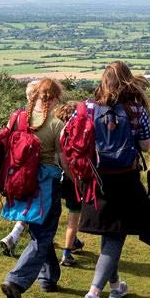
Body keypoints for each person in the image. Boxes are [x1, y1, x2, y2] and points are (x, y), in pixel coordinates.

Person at [77, 61, 150, 298]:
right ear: (128, 81)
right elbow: (145, 146)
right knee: (115, 235)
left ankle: (115, 287)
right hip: (125, 177)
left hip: (97, 177)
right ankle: (93, 294)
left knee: (107, 231)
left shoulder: (89, 107)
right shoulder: (136, 109)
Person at [0, 79, 65, 298]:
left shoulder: (16, 118)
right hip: (46, 183)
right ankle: (16, 281)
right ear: (54, 98)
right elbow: (63, 158)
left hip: (19, 180)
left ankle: (48, 277)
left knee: (40, 230)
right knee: (43, 234)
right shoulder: (56, 124)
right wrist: (75, 178)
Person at [0, 79, 40, 256]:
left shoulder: (16, 116)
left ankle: (15, 236)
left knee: (28, 203)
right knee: (36, 203)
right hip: (34, 166)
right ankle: (15, 236)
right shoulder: (40, 118)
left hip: (15, 167)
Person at [57, 101, 85, 267]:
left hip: (56, 177)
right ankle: (67, 253)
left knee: (53, 213)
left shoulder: (57, 131)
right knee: (73, 216)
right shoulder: (76, 133)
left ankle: (73, 242)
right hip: (72, 179)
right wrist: (77, 181)